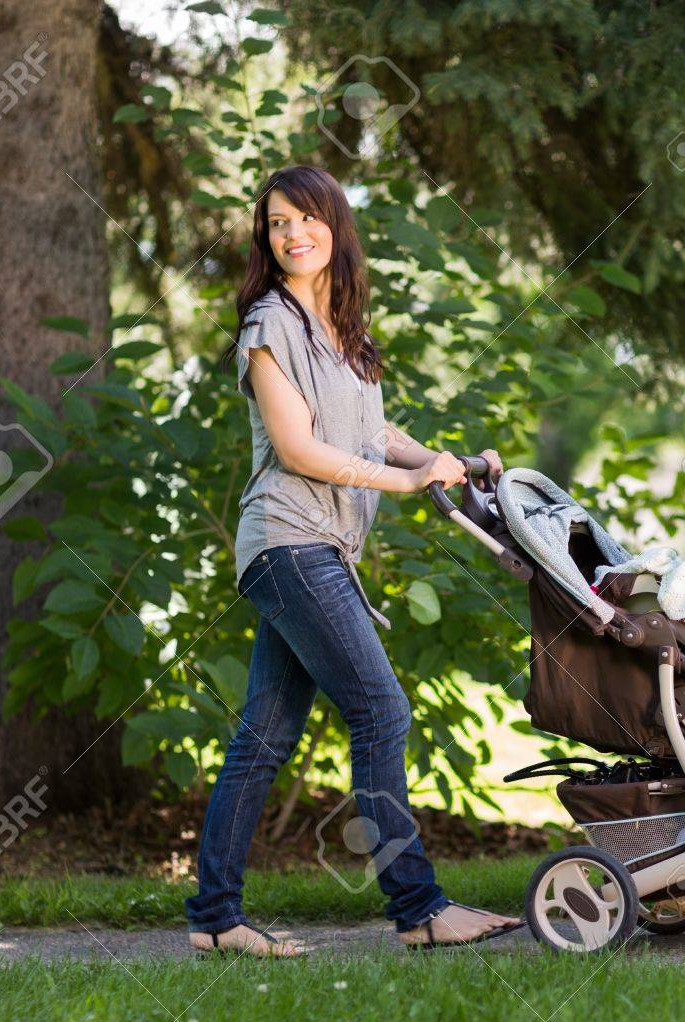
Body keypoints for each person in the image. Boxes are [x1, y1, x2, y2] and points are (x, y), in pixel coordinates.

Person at [184, 164, 523, 955]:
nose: (292, 232)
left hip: (314, 549)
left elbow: (372, 428)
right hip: (289, 544)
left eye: (305, 217)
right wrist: (405, 481)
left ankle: (215, 920)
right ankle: (420, 909)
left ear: (333, 224)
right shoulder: (268, 325)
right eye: (276, 223)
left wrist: (447, 458)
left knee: (264, 738)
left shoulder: (340, 326)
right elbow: (301, 449)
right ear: (265, 241)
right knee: (381, 709)